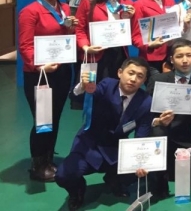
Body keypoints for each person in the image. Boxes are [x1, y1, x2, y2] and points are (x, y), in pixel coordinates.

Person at [55, 58, 153, 211]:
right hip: (89, 146)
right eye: (130, 73)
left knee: (147, 170)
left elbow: (141, 135)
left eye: (139, 76)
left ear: (144, 80)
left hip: (117, 150)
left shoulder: (146, 102)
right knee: (63, 175)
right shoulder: (107, 85)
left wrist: (140, 161)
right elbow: (84, 95)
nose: (134, 79)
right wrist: (83, 87)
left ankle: (114, 179)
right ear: (120, 73)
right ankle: (78, 190)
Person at [18, 0, 77, 182]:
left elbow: (67, 39)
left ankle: (49, 159)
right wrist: (39, 66)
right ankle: (38, 165)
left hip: (61, 71)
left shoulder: (65, 9)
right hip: (40, 74)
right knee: (43, 119)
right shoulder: (30, 11)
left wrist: (72, 28)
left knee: (55, 117)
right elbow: (25, 45)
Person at [146, 39, 191, 199]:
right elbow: (144, 113)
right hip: (159, 136)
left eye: (189, 55)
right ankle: (162, 171)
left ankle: (171, 168)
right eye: (179, 56)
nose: (185, 60)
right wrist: (158, 121)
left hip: (184, 140)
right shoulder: (158, 80)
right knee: (158, 134)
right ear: (171, 59)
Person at [75, 0, 136, 80]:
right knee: (91, 88)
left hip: (119, 54)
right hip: (95, 52)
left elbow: (133, 33)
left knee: (115, 88)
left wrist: (131, 18)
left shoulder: (128, 3)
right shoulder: (88, 1)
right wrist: (86, 47)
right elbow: (79, 28)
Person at [131, 0, 176, 74]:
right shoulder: (139, 5)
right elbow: (135, 36)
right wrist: (149, 45)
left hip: (171, 55)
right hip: (150, 58)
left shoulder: (170, 0)